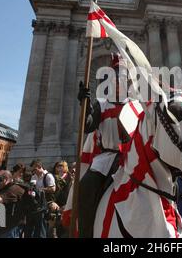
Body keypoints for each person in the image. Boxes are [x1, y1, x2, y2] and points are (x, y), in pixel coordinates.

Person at [77, 52, 134, 238]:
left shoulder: (135, 106)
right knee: (85, 188)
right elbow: (88, 126)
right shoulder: (101, 104)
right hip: (107, 159)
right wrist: (84, 105)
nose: (120, 83)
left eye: (124, 80)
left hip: (132, 158)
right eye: (116, 79)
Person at [0, 170, 25, 238]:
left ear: (5, 180)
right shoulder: (4, 189)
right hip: (2, 227)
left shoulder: (14, 189)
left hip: (11, 227)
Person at [30, 159, 56, 238]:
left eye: (35, 169)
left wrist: (40, 190)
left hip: (45, 205)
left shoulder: (48, 176)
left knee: (42, 227)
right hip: (35, 205)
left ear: (39, 167)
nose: (33, 171)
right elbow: (31, 189)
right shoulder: (33, 177)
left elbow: (53, 189)